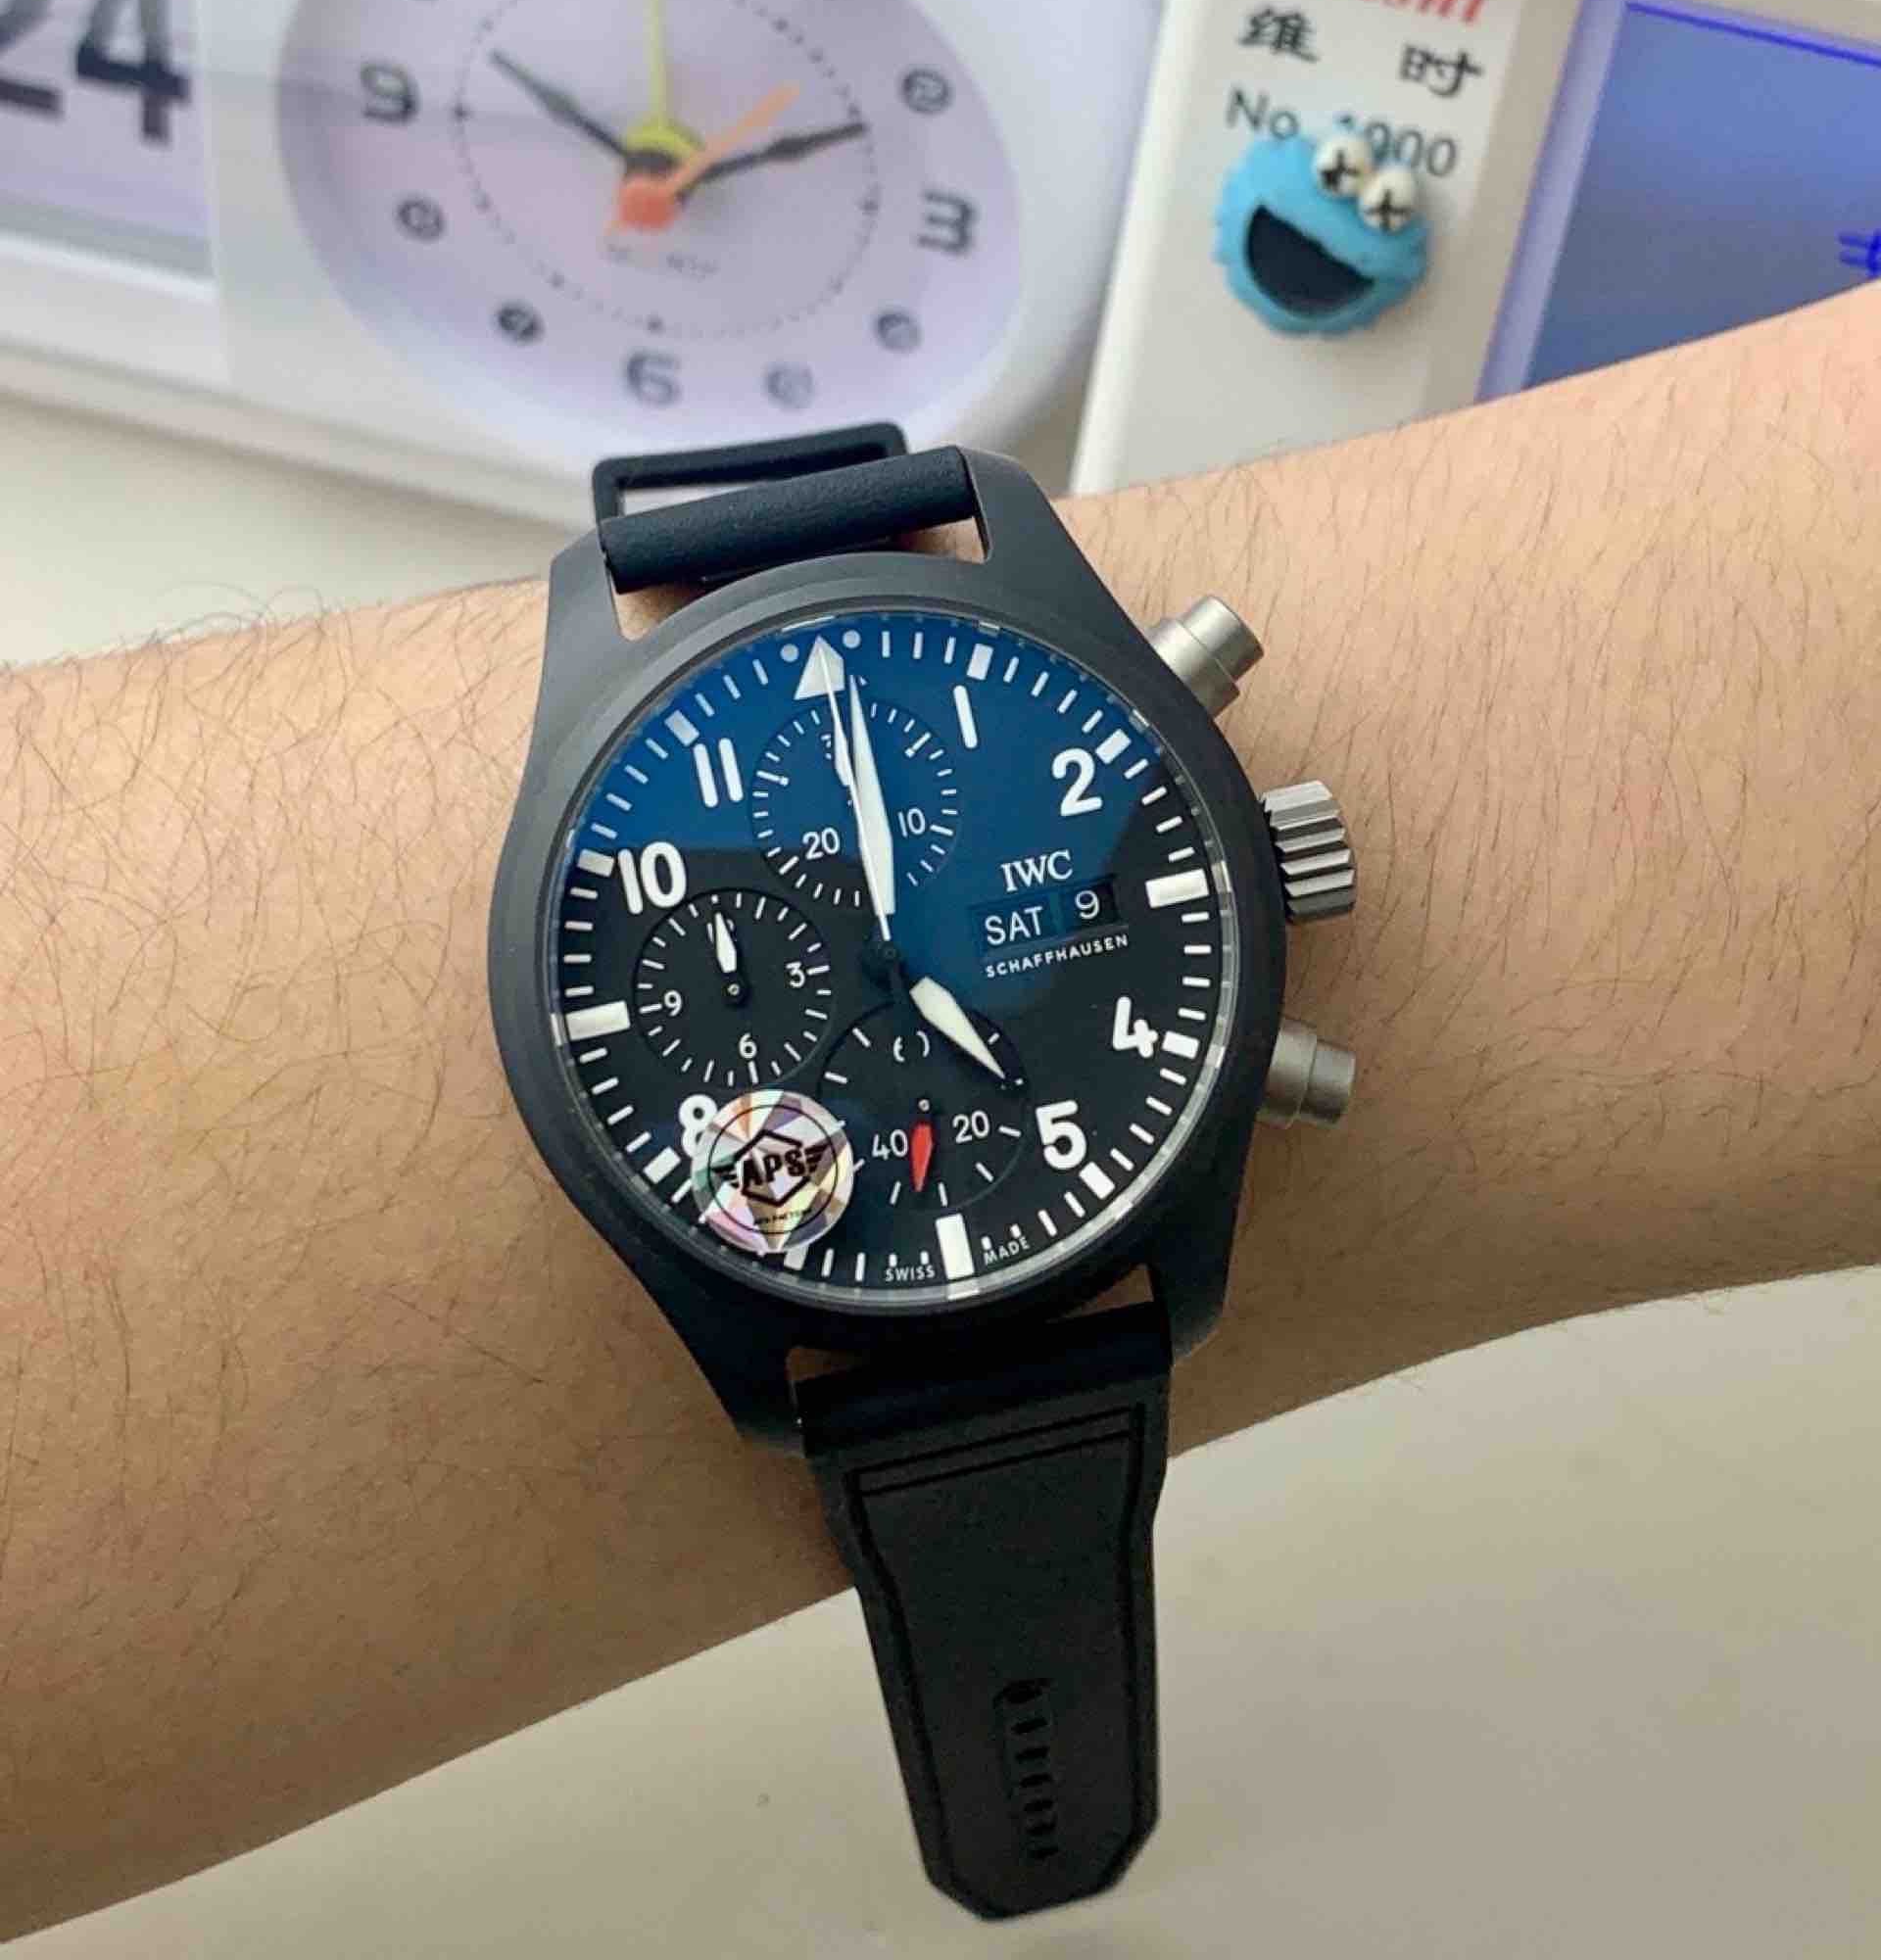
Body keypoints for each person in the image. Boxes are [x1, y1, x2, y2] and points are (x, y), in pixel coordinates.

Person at [2, 286, 1875, 1938]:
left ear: (1280, 855)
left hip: (1048, 1206)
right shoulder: (681, 796)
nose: (892, 962)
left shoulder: (1031, 702)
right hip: (880, 1268)